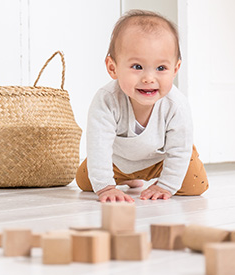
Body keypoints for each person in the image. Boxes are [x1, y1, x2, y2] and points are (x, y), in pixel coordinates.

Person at [75, 10, 209, 202]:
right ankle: (130, 178)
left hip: (160, 161)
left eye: (161, 68)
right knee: (85, 182)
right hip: (117, 161)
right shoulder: (106, 101)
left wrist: (166, 186)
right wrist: (105, 187)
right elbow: (99, 144)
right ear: (113, 68)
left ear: (175, 69)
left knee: (196, 186)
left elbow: (178, 150)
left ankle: (155, 175)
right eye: (137, 67)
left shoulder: (176, 105)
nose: (148, 78)